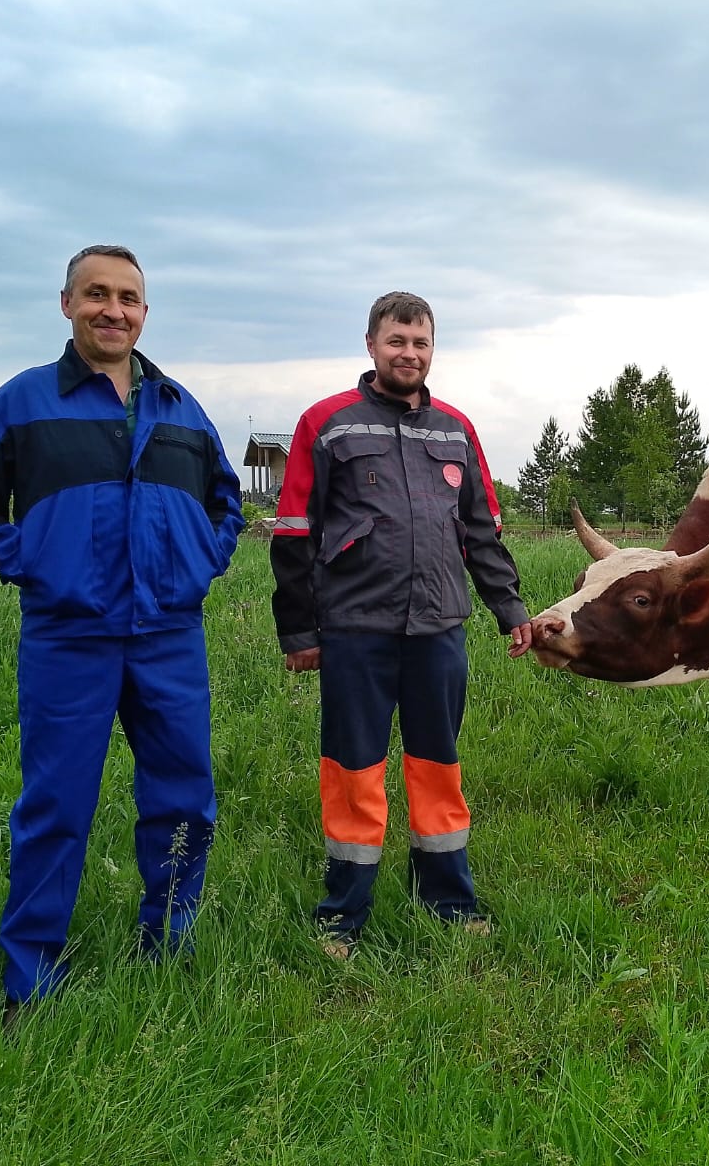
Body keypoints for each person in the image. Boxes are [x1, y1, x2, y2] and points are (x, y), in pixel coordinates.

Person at [0, 245, 243, 1024]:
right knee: (56, 805)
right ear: (68, 304)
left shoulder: (179, 406)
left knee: (183, 801)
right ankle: (31, 977)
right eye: (97, 295)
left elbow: (225, 501)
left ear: (145, 312)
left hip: (169, 637)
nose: (114, 310)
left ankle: (168, 946)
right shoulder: (23, 402)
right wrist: (33, 562)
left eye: (130, 298)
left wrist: (201, 563)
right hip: (68, 637)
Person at [271, 291, 531, 956]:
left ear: (431, 350)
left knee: (437, 767)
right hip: (355, 630)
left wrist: (510, 612)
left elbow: (482, 530)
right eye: (396, 341)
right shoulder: (325, 424)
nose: (407, 354)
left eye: (419, 343)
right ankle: (342, 914)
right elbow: (295, 531)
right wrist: (299, 633)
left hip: (439, 630)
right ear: (371, 346)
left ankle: (447, 900)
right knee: (353, 771)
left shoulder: (456, 430)